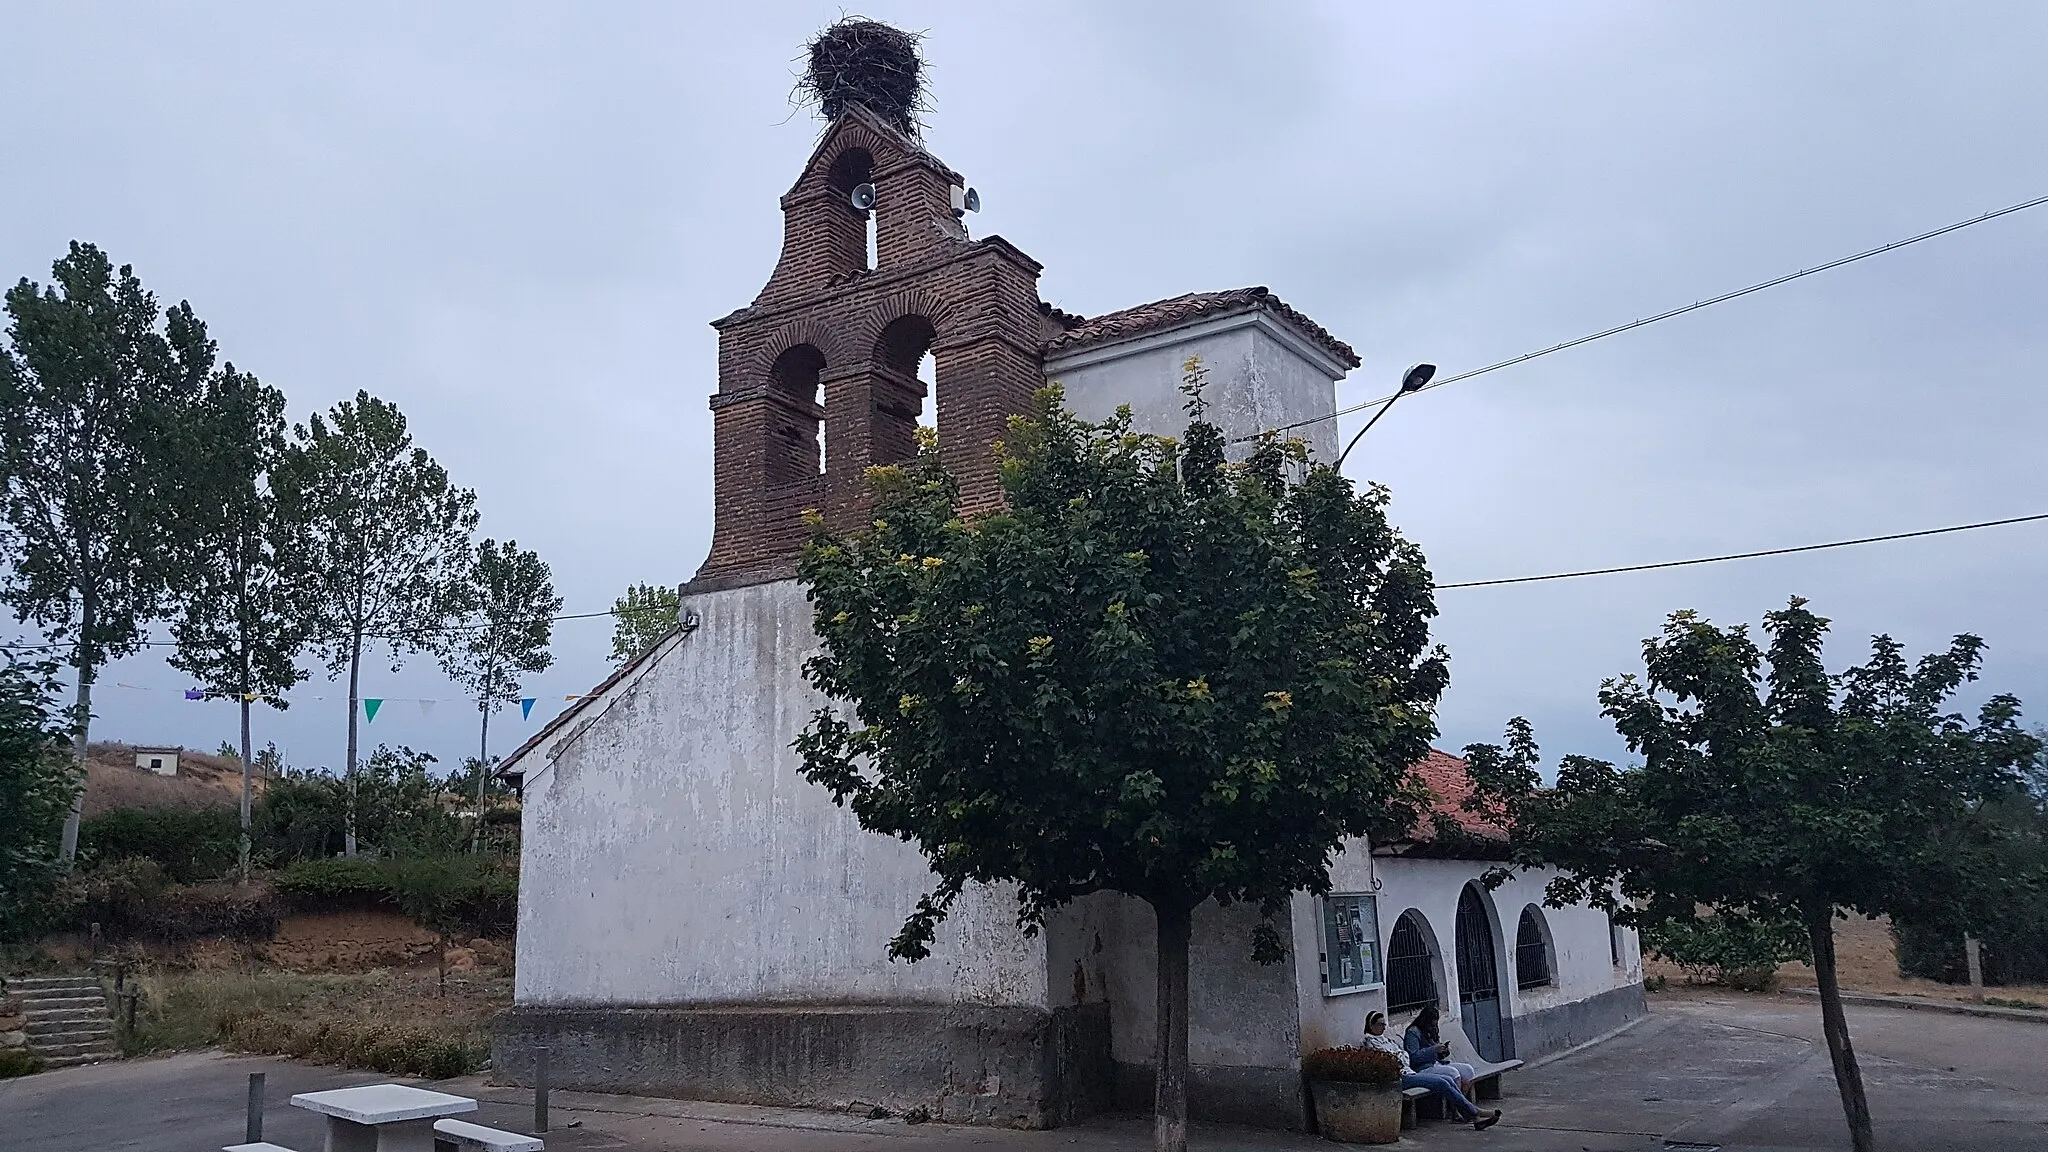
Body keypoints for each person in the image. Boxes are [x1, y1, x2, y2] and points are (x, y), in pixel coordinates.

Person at [1364, 1010, 1501, 1131]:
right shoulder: (1370, 1042)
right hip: (1401, 1076)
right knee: (1442, 1082)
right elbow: (1400, 1058)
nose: (1384, 1027)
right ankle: (1475, 1112)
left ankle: (1473, 1116)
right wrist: (1404, 1057)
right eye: (1380, 1024)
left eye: (1384, 1024)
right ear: (1371, 1026)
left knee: (1447, 1079)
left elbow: (1403, 1055)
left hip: (1409, 1071)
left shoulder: (1387, 1040)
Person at [1405, 1004, 1480, 1101]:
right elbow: (1413, 1057)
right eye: (1431, 1024)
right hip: (1422, 1068)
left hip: (1436, 1064)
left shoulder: (1431, 1030)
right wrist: (1433, 1050)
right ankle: (1457, 1108)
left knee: (1468, 1070)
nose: (1433, 1026)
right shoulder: (1413, 1032)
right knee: (1453, 1073)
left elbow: (1438, 1056)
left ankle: (1461, 1102)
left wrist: (1443, 1051)